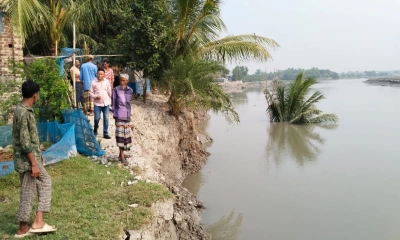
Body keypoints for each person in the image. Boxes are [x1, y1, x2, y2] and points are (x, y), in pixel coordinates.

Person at [12, 80, 57, 238]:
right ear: (35, 95)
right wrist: (33, 163)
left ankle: (33, 223)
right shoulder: (24, 112)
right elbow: (25, 142)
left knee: (40, 184)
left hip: (31, 158)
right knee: (29, 190)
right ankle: (25, 227)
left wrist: (38, 157)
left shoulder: (23, 109)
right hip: (26, 161)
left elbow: (30, 139)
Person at [111, 74, 134, 166]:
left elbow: (129, 104)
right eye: (121, 80)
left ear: (127, 81)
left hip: (127, 116)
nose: (122, 82)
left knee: (126, 136)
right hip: (119, 115)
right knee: (120, 136)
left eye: (124, 80)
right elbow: (113, 103)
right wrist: (115, 115)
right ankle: (122, 156)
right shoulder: (115, 90)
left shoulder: (130, 91)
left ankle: (121, 154)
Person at [90, 68, 112, 139]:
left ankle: (105, 133)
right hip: (97, 104)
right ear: (97, 74)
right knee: (97, 118)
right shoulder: (93, 82)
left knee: (106, 118)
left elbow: (109, 92)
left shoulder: (107, 82)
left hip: (106, 104)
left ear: (104, 75)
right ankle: (95, 129)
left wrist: (112, 101)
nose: (100, 75)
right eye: (99, 74)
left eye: (101, 74)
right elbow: (90, 93)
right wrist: (96, 96)